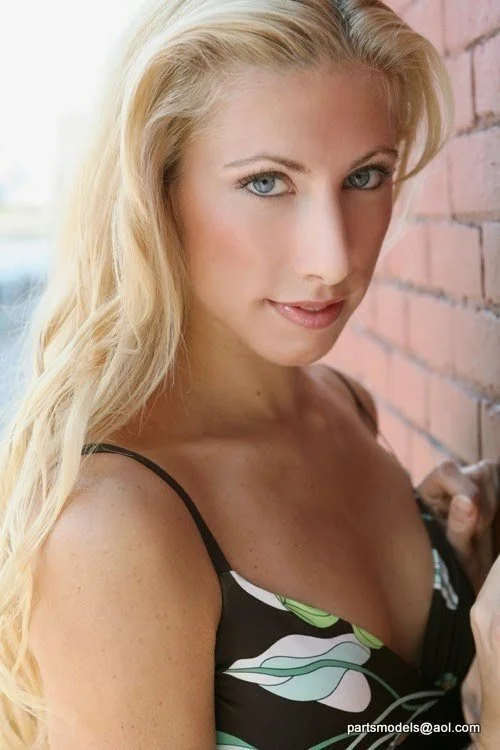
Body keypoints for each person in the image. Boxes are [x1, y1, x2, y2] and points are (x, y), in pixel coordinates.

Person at [0, 1, 497, 748]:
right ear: (157, 191)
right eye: (267, 183)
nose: (332, 258)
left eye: (365, 175)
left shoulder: (343, 406)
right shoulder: (113, 526)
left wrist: (458, 577)